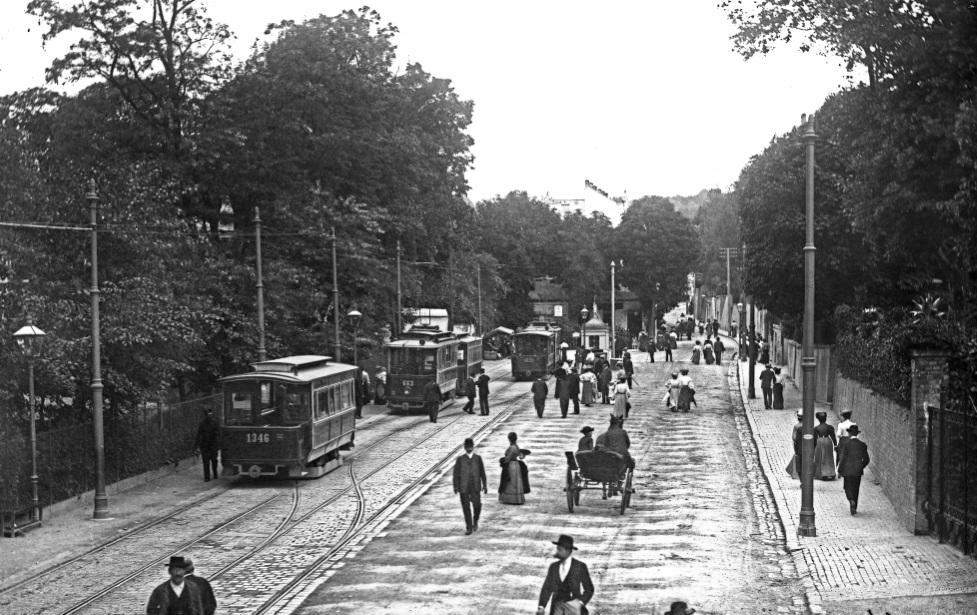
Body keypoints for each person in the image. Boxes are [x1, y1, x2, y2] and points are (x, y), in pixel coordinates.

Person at [536, 535, 595, 615]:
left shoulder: (579, 566)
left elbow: (589, 589)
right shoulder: (553, 567)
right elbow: (547, 587)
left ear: (568, 551)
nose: (557, 551)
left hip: (574, 608)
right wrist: (541, 606)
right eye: (557, 548)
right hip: (557, 607)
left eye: (559, 549)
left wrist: (580, 603)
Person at [452, 437, 487, 534]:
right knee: (466, 507)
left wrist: (484, 485)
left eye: (470, 446)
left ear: (473, 446)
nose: (469, 448)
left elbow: (482, 472)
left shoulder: (478, 458)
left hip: (475, 486)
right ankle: (469, 527)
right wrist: (455, 486)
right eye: (467, 447)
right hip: (464, 487)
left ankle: (475, 520)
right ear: (464, 447)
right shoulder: (460, 459)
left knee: (477, 505)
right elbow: (455, 473)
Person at [837, 424, 870, 515]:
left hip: (847, 471)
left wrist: (840, 471)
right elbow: (867, 459)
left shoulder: (846, 444)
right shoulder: (862, 445)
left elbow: (843, 459)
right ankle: (854, 507)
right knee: (856, 488)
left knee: (847, 487)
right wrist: (860, 466)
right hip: (857, 472)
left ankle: (851, 500)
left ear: (850, 433)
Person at [498, 431, 528, 505]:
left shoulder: (512, 447)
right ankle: (517, 498)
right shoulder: (516, 446)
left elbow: (508, 458)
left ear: (509, 439)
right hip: (516, 464)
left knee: (511, 481)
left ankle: (511, 499)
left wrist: (502, 460)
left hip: (511, 465)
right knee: (516, 481)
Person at [194, 409, 221, 482]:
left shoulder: (215, 423)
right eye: (207, 414)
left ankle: (215, 472)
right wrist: (196, 446)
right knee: (206, 461)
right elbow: (199, 434)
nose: (208, 416)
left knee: (214, 460)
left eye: (209, 414)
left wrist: (220, 443)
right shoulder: (202, 424)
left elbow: (219, 433)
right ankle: (207, 477)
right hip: (205, 445)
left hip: (213, 444)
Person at [812, 411, 838, 480]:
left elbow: (815, 437)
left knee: (819, 457)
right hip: (828, 441)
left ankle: (820, 473)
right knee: (829, 457)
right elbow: (833, 436)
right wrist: (835, 444)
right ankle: (830, 473)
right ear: (825, 418)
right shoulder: (830, 427)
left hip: (819, 441)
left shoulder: (816, 428)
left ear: (818, 419)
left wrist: (814, 446)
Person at [789, 410, 803, 480]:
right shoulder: (808, 426)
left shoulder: (796, 426)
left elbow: (794, 437)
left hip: (798, 445)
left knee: (798, 458)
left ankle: (796, 473)